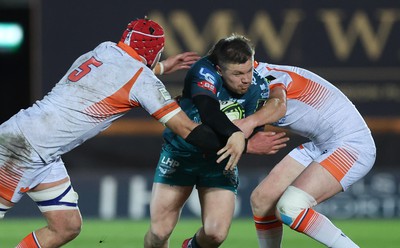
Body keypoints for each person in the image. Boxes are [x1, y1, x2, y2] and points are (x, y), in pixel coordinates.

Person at [0, 18, 245, 248]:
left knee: (66, 226)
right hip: (21, 151)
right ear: (154, 51)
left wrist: (158, 68)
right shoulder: (142, 80)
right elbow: (188, 130)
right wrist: (236, 139)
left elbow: (117, 72)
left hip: (37, 145)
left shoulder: (104, 49)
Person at [144, 34, 289, 248]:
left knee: (215, 235)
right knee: (159, 232)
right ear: (220, 70)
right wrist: (238, 137)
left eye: (249, 70)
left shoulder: (257, 88)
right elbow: (207, 108)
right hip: (180, 154)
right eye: (238, 73)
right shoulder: (203, 70)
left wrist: (244, 138)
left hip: (220, 161)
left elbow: (250, 131)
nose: (246, 79)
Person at [235, 61, 376, 247]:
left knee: (290, 208)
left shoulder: (268, 78)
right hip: (321, 144)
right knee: (263, 199)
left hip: (352, 145)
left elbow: (279, 104)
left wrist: (249, 123)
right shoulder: (243, 80)